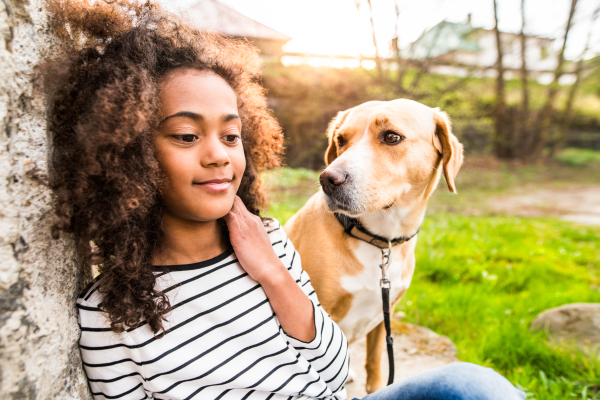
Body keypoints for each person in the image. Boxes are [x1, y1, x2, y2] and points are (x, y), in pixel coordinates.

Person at [45, 1, 526, 399]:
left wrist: (274, 273)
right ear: (129, 151)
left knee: (474, 384)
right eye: (187, 135)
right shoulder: (102, 315)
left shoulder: (269, 242)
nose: (217, 155)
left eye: (232, 137)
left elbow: (336, 369)